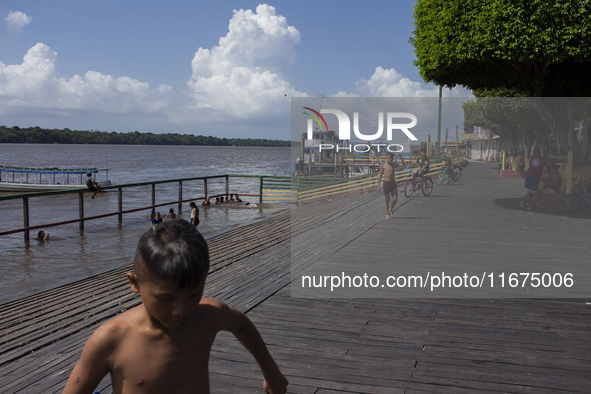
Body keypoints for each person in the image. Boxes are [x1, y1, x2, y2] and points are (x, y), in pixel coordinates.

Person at [62, 219, 288, 394]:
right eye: (166, 299)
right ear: (135, 283)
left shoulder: (207, 318)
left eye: (193, 295)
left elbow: (241, 324)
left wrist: (272, 372)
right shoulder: (111, 340)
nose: (180, 310)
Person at [377, 152, 406, 219]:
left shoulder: (393, 165)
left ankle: (391, 209)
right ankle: (387, 214)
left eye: (391, 158)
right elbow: (380, 175)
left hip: (393, 183)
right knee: (387, 199)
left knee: (395, 199)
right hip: (386, 184)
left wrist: (400, 157)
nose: (390, 160)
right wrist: (379, 185)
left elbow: (403, 164)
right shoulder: (383, 166)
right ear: (386, 158)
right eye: (389, 158)